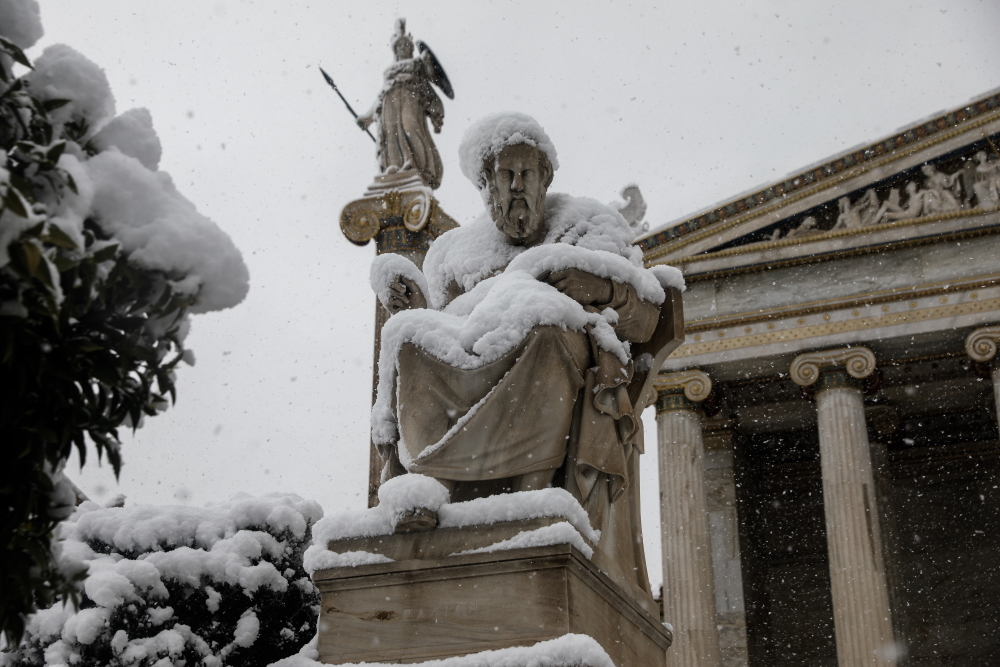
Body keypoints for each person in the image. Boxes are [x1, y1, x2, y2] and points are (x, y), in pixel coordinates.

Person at [370, 113, 671, 601]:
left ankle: (531, 492)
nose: (515, 188)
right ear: (485, 185)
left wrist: (604, 286)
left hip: (553, 353)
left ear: (545, 178)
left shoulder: (585, 225)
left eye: (526, 175)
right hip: (475, 359)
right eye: (504, 177)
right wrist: (414, 307)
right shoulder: (452, 253)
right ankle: (428, 486)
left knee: (544, 327)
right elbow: (444, 331)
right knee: (406, 336)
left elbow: (649, 316)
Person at [356, 19, 449, 189]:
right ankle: (394, 166)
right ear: (396, 51)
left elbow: (431, 77)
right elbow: (381, 95)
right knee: (390, 134)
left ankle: (415, 165)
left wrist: (427, 62)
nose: (403, 48)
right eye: (400, 46)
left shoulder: (417, 64)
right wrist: (367, 118)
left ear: (411, 49)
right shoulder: (389, 72)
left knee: (410, 128)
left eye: (406, 46)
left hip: (410, 98)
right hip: (389, 103)